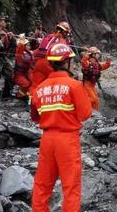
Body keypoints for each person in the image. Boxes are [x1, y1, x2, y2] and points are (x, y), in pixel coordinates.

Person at [30, 43, 92, 212]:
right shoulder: (74, 85)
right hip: (67, 139)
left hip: (47, 139)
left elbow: (35, 116)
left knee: (42, 184)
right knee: (70, 186)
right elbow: (85, 114)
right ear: (66, 63)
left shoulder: (39, 88)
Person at [30, 21, 71, 99]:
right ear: (64, 32)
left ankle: (32, 101)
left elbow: (39, 49)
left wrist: (32, 54)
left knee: (36, 84)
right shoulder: (62, 41)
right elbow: (63, 56)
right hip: (49, 65)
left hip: (38, 63)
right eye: (66, 32)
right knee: (52, 84)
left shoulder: (48, 36)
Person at [81, 46, 111, 110]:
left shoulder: (97, 64)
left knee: (96, 100)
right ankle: (86, 110)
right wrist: (86, 55)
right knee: (92, 98)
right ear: (93, 55)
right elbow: (83, 62)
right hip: (86, 84)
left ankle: (95, 113)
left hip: (92, 85)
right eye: (97, 54)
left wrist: (108, 61)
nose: (98, 55)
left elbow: (105, 66)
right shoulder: (87, 63)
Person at [13, 34, 34, 100]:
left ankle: (24, 95)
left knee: (33, 82)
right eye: (27, 45)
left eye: (29, 45)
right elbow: (19, 48)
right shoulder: (19, 54)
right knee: (26, 84)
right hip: (18, 75)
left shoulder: (29, 53)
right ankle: (19, 96)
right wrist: (21, 40)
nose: (29, 46)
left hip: (26, 73)